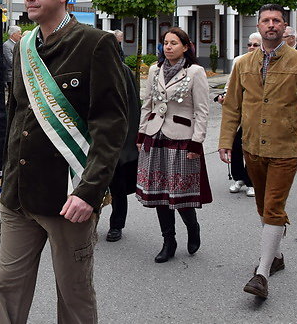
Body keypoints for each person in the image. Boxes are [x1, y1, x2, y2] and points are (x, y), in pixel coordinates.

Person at [0, 0, 128, 324]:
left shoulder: (95, 45)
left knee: (74, 295)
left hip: (68, 195)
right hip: (19, 196)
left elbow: (110, 124)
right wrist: (3, 178)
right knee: (6, 287)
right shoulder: (24, 47)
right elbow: (17, 115)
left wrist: (90, 190)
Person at [218, 4, 297, 300]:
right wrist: (225, 142)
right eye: (265, 21)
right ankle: (275, 255)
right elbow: (233, 106)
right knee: (263, 206)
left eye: (276, 20)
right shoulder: (244, 63)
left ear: (284, 26)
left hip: (286, 148)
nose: (271, 25)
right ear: (259, 26)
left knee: (273, 207)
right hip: (252, 147)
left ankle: (261, 274)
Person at [136, 27, 211, 263]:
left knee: (179, 193)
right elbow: (147, 104)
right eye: (165, 43)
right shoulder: (154, 70)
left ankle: (192, 226)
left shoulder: (195, 72)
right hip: (155, 136)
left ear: (186, 47)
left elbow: (202, 110)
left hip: (181, 138)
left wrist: (196, 142)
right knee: (159, 193)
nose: (168, 47)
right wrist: (140, 134)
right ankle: (169, 241)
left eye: (174, 43)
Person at [217, 32, 263, 198]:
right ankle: (239, 178)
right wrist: (224, 96)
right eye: (249, 44)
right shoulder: (239, 61)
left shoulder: (265, 62)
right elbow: (231, 84)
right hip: (241, 112)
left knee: (251, 148)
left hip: (257, 114)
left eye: (255, 45)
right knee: (236, 145)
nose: (251, 48)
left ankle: (251, 181)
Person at [104, 55, 139, 242]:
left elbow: (132, 106)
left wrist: (129, 139)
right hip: (91, 136)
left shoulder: (123, 70)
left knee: (117, 185)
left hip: (115, 138)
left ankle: (116, 224)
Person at [2, 25, 22, 92]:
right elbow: (11, 61)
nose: (20, 36)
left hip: (17, 75)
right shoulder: (6, 45)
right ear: (13, 35)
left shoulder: (17, 44)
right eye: (19, 34)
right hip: (11, 76)